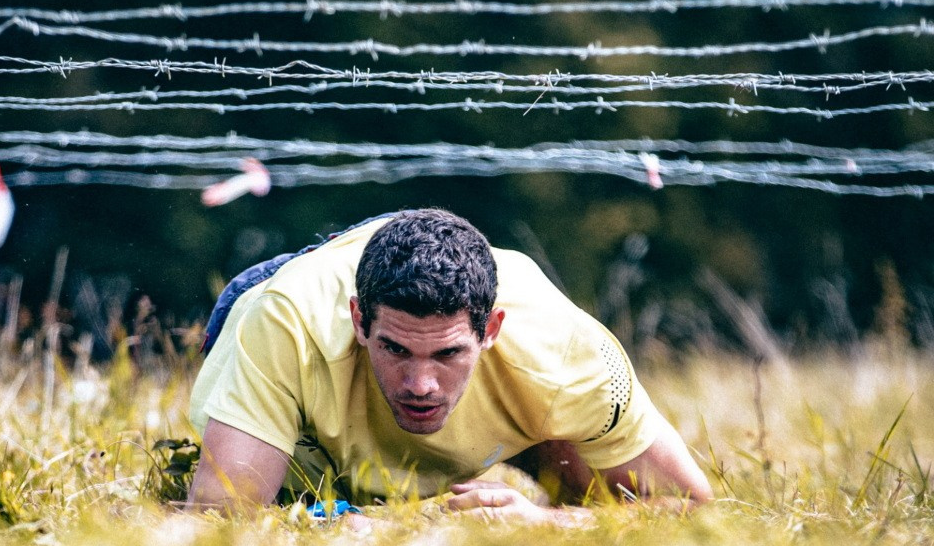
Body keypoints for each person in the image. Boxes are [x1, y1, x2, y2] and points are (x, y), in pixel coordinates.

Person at [187, 207, 712, 519]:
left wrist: (544, 523)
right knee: (262, 508)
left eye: (448, 353)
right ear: (359, 322)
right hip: (279, 300)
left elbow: (691, 504)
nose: (421, 384)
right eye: (395, 349)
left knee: (585, 475)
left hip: (513, 402)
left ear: (491, 332)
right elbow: (217, 520)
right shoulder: (286, 321)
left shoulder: (568, 351)